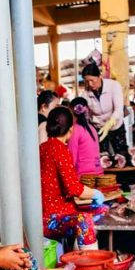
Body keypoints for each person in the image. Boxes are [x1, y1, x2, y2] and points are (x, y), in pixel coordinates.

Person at [40, 107, 106, 251]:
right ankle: (90, 267)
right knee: (87, 218)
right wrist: (95, 194)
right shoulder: (61, 150)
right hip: (52, 218)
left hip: (43, 213)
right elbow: (74, 188)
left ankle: (77, 258)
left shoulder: (42, 148)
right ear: (70, 130)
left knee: (92, 212)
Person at [81, 63, 125, 155]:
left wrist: (109, 124)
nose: (90, 84)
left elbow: (119, 109)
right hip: (99, 128)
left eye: (92, 80)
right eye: (87, 81)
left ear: (99, 76)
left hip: (115, 126)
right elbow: (87, 115)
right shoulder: (85, 94)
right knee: (102, 155)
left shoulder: (114, 86)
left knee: (121, 154)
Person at [67, 98, 104, 176]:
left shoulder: (74, 130)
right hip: (99, 172)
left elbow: (71, 157)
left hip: (84, 176)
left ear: (71, 111)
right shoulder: (92, 128)